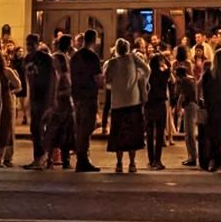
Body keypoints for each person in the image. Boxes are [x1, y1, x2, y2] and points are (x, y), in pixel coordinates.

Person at [104, 37, 149, 173]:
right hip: (133, 100)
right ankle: (132, 163)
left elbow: (106, 79)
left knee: (118, 135)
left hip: (117, 102)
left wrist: (114, 85)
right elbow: (147, 70)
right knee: (133, 135)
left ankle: (119, 163)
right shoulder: (133, 59)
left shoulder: (111, 63)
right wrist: (138, 78)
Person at [69, 28, 102, 172]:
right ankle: (82, 159)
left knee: (80, 126)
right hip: (89, 96)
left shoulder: (75, 56)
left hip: (77, 95)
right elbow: (98, 79)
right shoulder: (93, 57)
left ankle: (81, 157)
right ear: (94, 40)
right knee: (86, 128)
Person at [22, 33, 54, 169]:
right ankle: (39, 157)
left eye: (31, 44)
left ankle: (44, 156)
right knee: (35, 128)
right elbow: (28, 79)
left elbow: (52, 78)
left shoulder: (46, 59)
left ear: (37, 44)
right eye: (27, 44)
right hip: (34, 95)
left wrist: (51, 99)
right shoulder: (27, 58)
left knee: (40, 127)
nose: (29, 47)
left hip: (44, 96)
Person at [44, 35, 74, 169]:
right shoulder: (60, 58)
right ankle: (52, 158)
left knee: (63, 130)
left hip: (63, 100)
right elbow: (62, 79)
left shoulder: (61, 57)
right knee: (57, 129)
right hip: (60, 101)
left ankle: (59, 158)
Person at [172, 48, 199, 167]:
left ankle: (192, 157)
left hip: (189, 106)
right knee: (189, 133)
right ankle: (191, 156)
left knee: (189, 133)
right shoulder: (189, 80)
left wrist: (178, 108)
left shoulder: (183, 81)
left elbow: (181, 96)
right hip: (192, 105)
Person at [145, 52, 171, 169]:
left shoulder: (148, 75)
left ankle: (151, 159)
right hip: (160, 103)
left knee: (150, 133)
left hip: (149, 104)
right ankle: (157, 160)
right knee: (160, 133)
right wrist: (164, 65)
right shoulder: (164, 74)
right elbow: (168, 69)